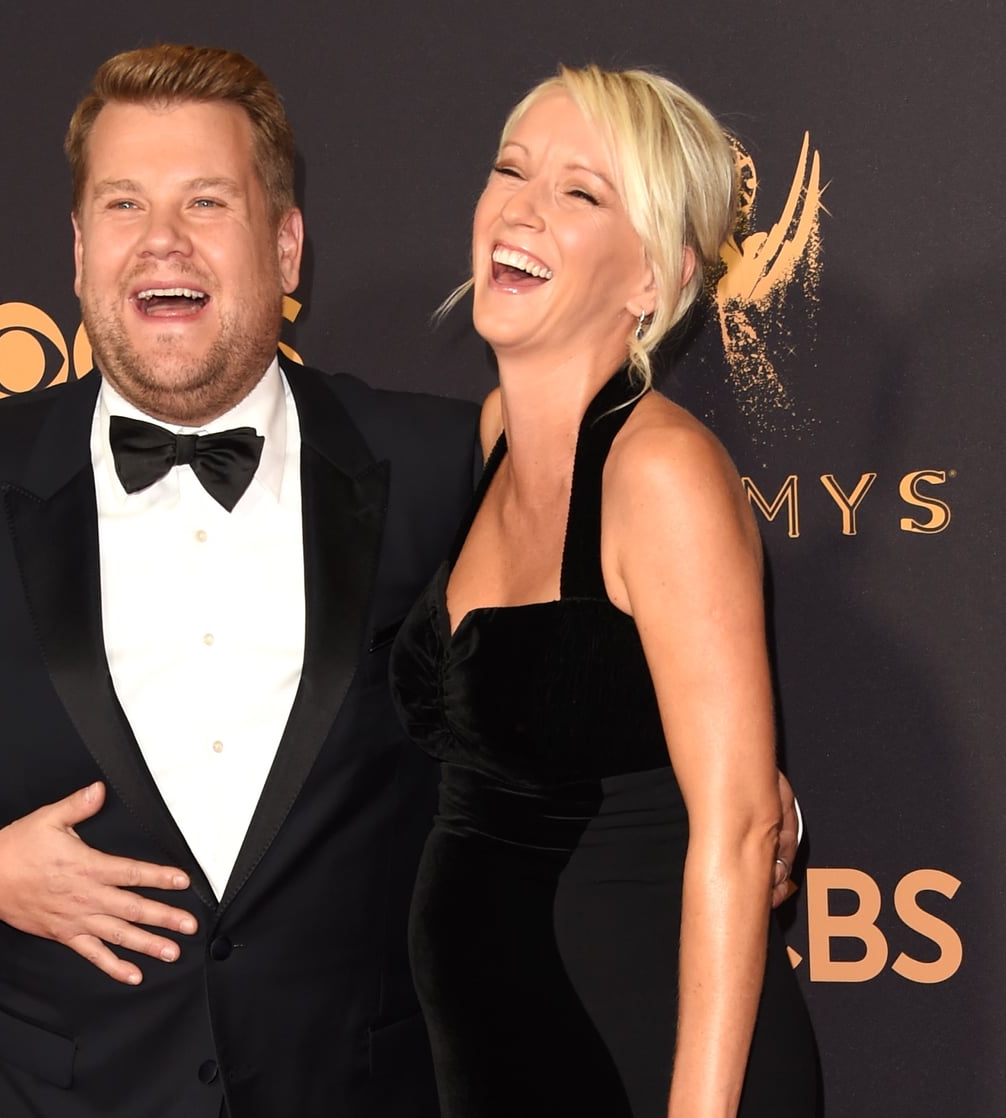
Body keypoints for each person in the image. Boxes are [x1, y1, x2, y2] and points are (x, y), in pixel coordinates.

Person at [0, 44, 801, 1118]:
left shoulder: (438, 463)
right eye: (123, 204)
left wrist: (725, 810)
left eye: (206, 202)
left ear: (287, 249)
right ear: (79, 246)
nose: (161, 243)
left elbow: (589, 698)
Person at [390, 66, 819, 1117]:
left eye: (581, 192)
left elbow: (737, 823)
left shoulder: (661, 475)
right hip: (502, 1062)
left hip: (648, 1062)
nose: (520, 207)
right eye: (510, 168)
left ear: (655, 278)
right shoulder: (495, 438)